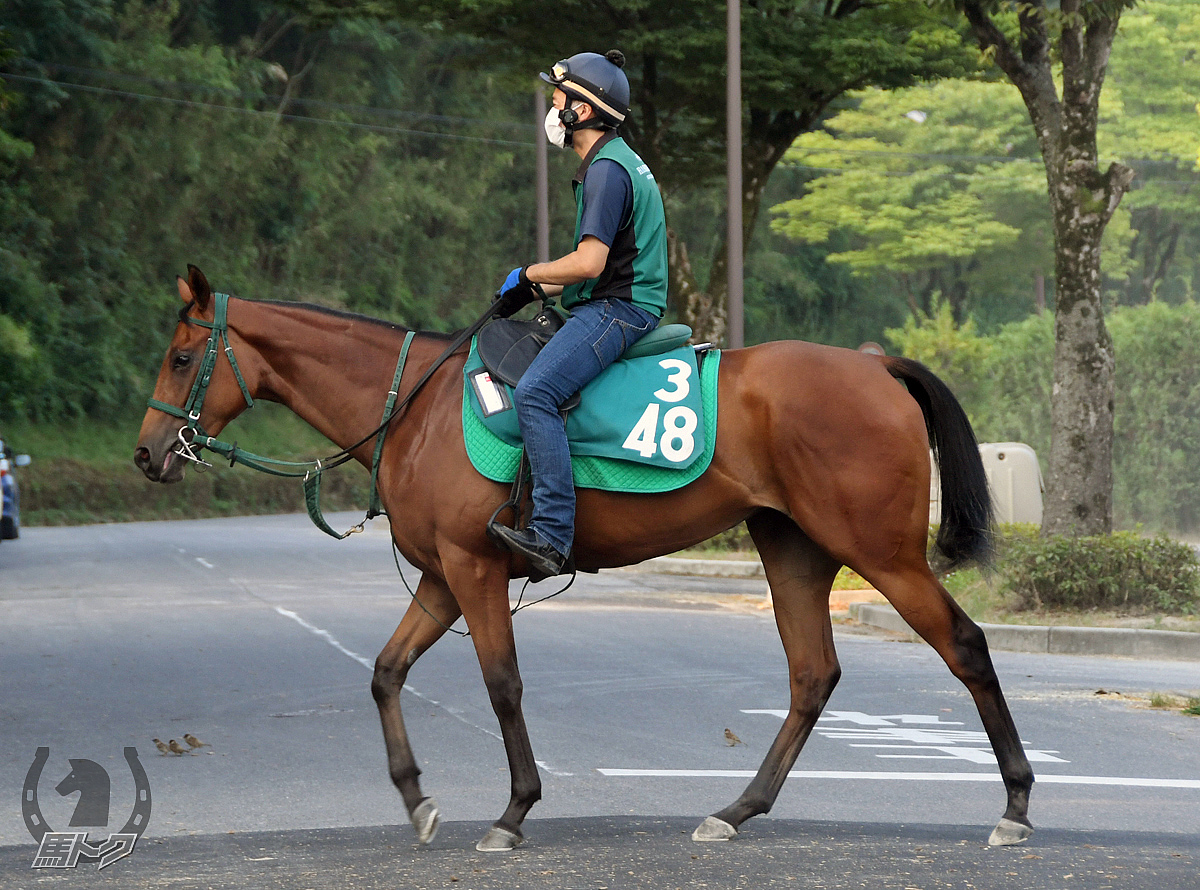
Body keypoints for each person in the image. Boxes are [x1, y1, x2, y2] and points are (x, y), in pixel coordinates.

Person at [490, 49, 668, 577]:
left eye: (559, 95)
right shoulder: (614, 162)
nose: (552, 102)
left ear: (581, 112)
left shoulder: (608, 171)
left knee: (536, 393)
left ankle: (551, 535)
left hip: (620, 310)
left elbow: (590, 261)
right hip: (613, 303)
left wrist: (529, 275)